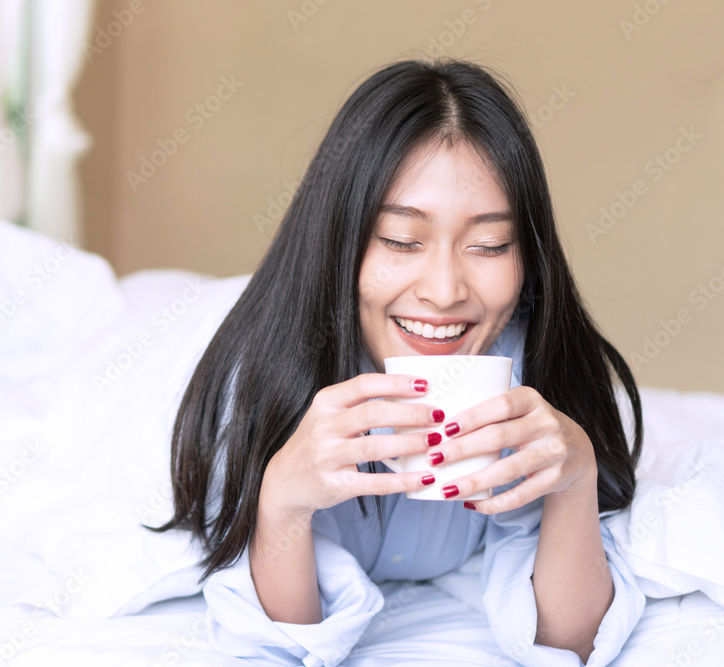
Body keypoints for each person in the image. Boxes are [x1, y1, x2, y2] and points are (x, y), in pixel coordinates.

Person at [151, 59, 645, 666]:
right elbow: (282, 643)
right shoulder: (259, 375)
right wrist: (280, 502)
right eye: (401, 241)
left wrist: (574, 481)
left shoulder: (539, 367)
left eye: (489, 245)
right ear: (341, 239)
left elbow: (571, 642)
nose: (443, 290)